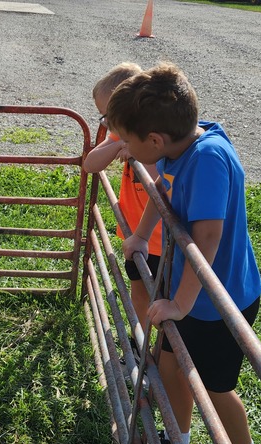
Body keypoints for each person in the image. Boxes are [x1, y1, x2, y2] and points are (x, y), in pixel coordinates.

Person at [110, 62, 261, 444]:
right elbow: (160, 195)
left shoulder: (208, 161)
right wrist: (140, 234)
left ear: (154, 139)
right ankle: (176, 441)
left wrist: (181, 303)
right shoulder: (179, 147)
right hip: (188, 288)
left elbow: (207, 241)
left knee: (216, 389)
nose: (125, 150)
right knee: (170, 365)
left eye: (127, 142)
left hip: (220, 302)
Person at [84, 62, 164, 339]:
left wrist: (137, 150)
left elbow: (160, 180)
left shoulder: (158, 139)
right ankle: (139, 339)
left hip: (161, 241)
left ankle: (158, 352)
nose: (107, 124)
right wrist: (119, 143)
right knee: (139, 289)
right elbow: (90, 164)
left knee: (163, 300)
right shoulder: (121, 135)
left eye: (109, 116)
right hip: (135, 235)